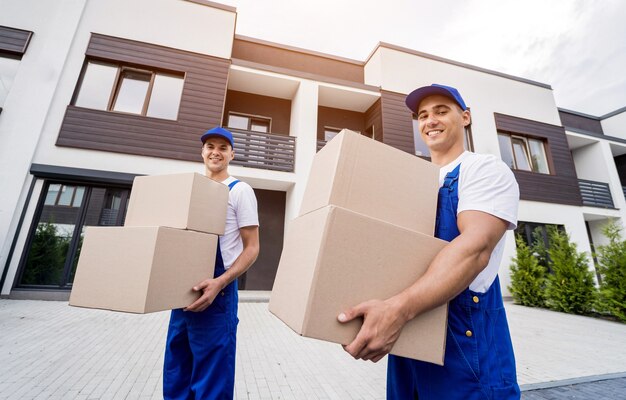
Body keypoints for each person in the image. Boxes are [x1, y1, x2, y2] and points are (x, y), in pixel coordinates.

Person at [338, 84, 521, 399]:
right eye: (422, 115)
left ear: (465, 117)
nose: (430, 120)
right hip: (409, 343)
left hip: (465, 348)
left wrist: (397, 309)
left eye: (441, 111)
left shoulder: (484, 170)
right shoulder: (411, 183)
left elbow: (474, 250)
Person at [163, 126, 260, 400]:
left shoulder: (240, 191)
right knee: (177, 368)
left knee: (212, 376)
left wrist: (221, 282)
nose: (215, 152)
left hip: (219, 291)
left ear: (232, 154)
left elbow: (252, 247)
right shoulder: (193, 190)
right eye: (210, 147)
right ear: (202, 151)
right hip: (184, 290)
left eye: (222, 148)